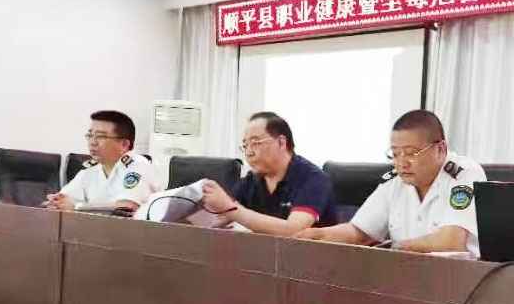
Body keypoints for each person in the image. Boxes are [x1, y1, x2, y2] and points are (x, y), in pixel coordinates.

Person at [296, 110, 485, 256]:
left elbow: (451, 242)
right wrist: (318, 235)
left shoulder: (464, 174)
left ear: (440, 149)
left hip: (459, 282)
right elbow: (359, 232)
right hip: (406, 276)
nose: (401, 163)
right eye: (395, 154)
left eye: (411, 153)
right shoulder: (395, 182)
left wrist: (396, 248)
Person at [201, 111, 336, 236]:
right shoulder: (252, 180)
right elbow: (221, 217)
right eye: (245, 145)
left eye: (255, 143)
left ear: (281, 143)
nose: (249, 152)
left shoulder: (313, 178)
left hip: (308, 253)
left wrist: (230, 209)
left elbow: (294, 231)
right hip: (264, 251)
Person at [44, 110, 158, 211]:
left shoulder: (138, 165)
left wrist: (77, 207)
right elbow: (62, 200)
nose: (92, 142)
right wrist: (56, 202)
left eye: (100, 136)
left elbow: (126, 208)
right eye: (90, 135)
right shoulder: (88, 172)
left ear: (124, 144)